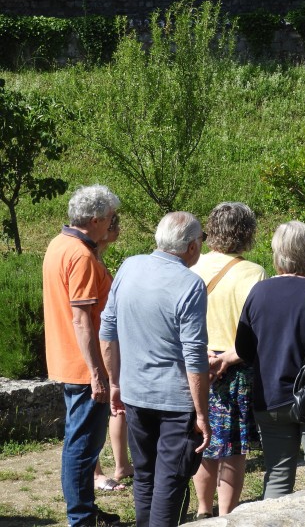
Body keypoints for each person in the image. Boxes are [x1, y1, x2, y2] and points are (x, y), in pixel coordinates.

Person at [218, 221, 305, 498]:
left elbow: (244, 349)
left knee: (278, 478)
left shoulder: (259, 292)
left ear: (276, 254)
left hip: (271, 398)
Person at [99, 212, 210, 526]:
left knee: (145, 477)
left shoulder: (129, 266)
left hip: (135, 394)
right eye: (200, 240)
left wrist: (115, 381)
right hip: (175, 402)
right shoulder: (190, 284)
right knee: (171, 481)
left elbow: (107, 329)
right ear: (191, 246)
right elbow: (194, 354)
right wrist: (201, 414)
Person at [42, 184, 121, 526]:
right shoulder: (80, 256)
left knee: (82, 442)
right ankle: (81, 517)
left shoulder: (61, 244)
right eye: (109, 218)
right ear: (94, 219)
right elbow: (82, 319)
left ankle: (85, 510)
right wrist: (96, 372)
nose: (113, 224)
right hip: (83, 366)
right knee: (82, 446)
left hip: (67, 359)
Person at [191, 203, 266, 518]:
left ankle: (202, 510)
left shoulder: (192, 265)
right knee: (233, 447)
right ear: (247, 234)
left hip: (198, 363)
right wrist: (231, 356)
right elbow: (262, 327)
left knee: (203, 439)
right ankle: (227, 515)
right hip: (235, 365)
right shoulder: (254, 273)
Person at [93, 212, 134, 492]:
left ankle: (121, 464)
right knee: (99, 408)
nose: (116, 231)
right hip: (99, 341)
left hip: (107, 338)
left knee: (115, 406)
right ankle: (94, 471)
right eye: (113, 226)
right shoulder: (89, 257)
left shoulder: (96, 256)